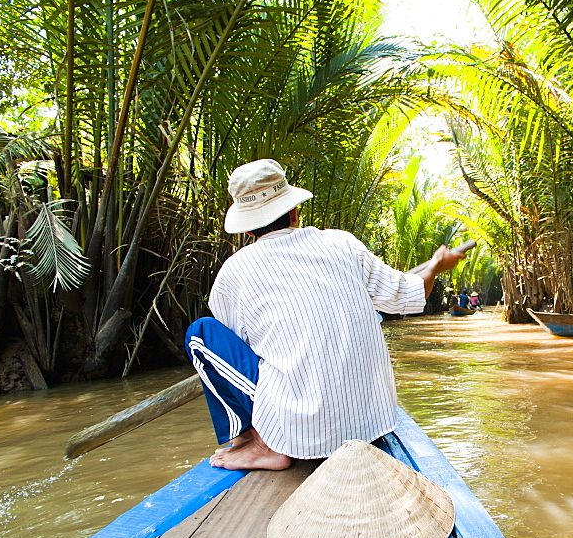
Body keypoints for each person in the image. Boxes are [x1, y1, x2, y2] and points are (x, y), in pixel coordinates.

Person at [185, 159, 465, 471]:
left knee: (201, 334)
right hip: (373, 422)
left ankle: (263, 444)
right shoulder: (342, 242)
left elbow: (239, 347)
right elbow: (409, 295)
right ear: (294, 212)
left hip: (303, 438)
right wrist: (437, 266)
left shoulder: (233, 272)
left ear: (247, 226)